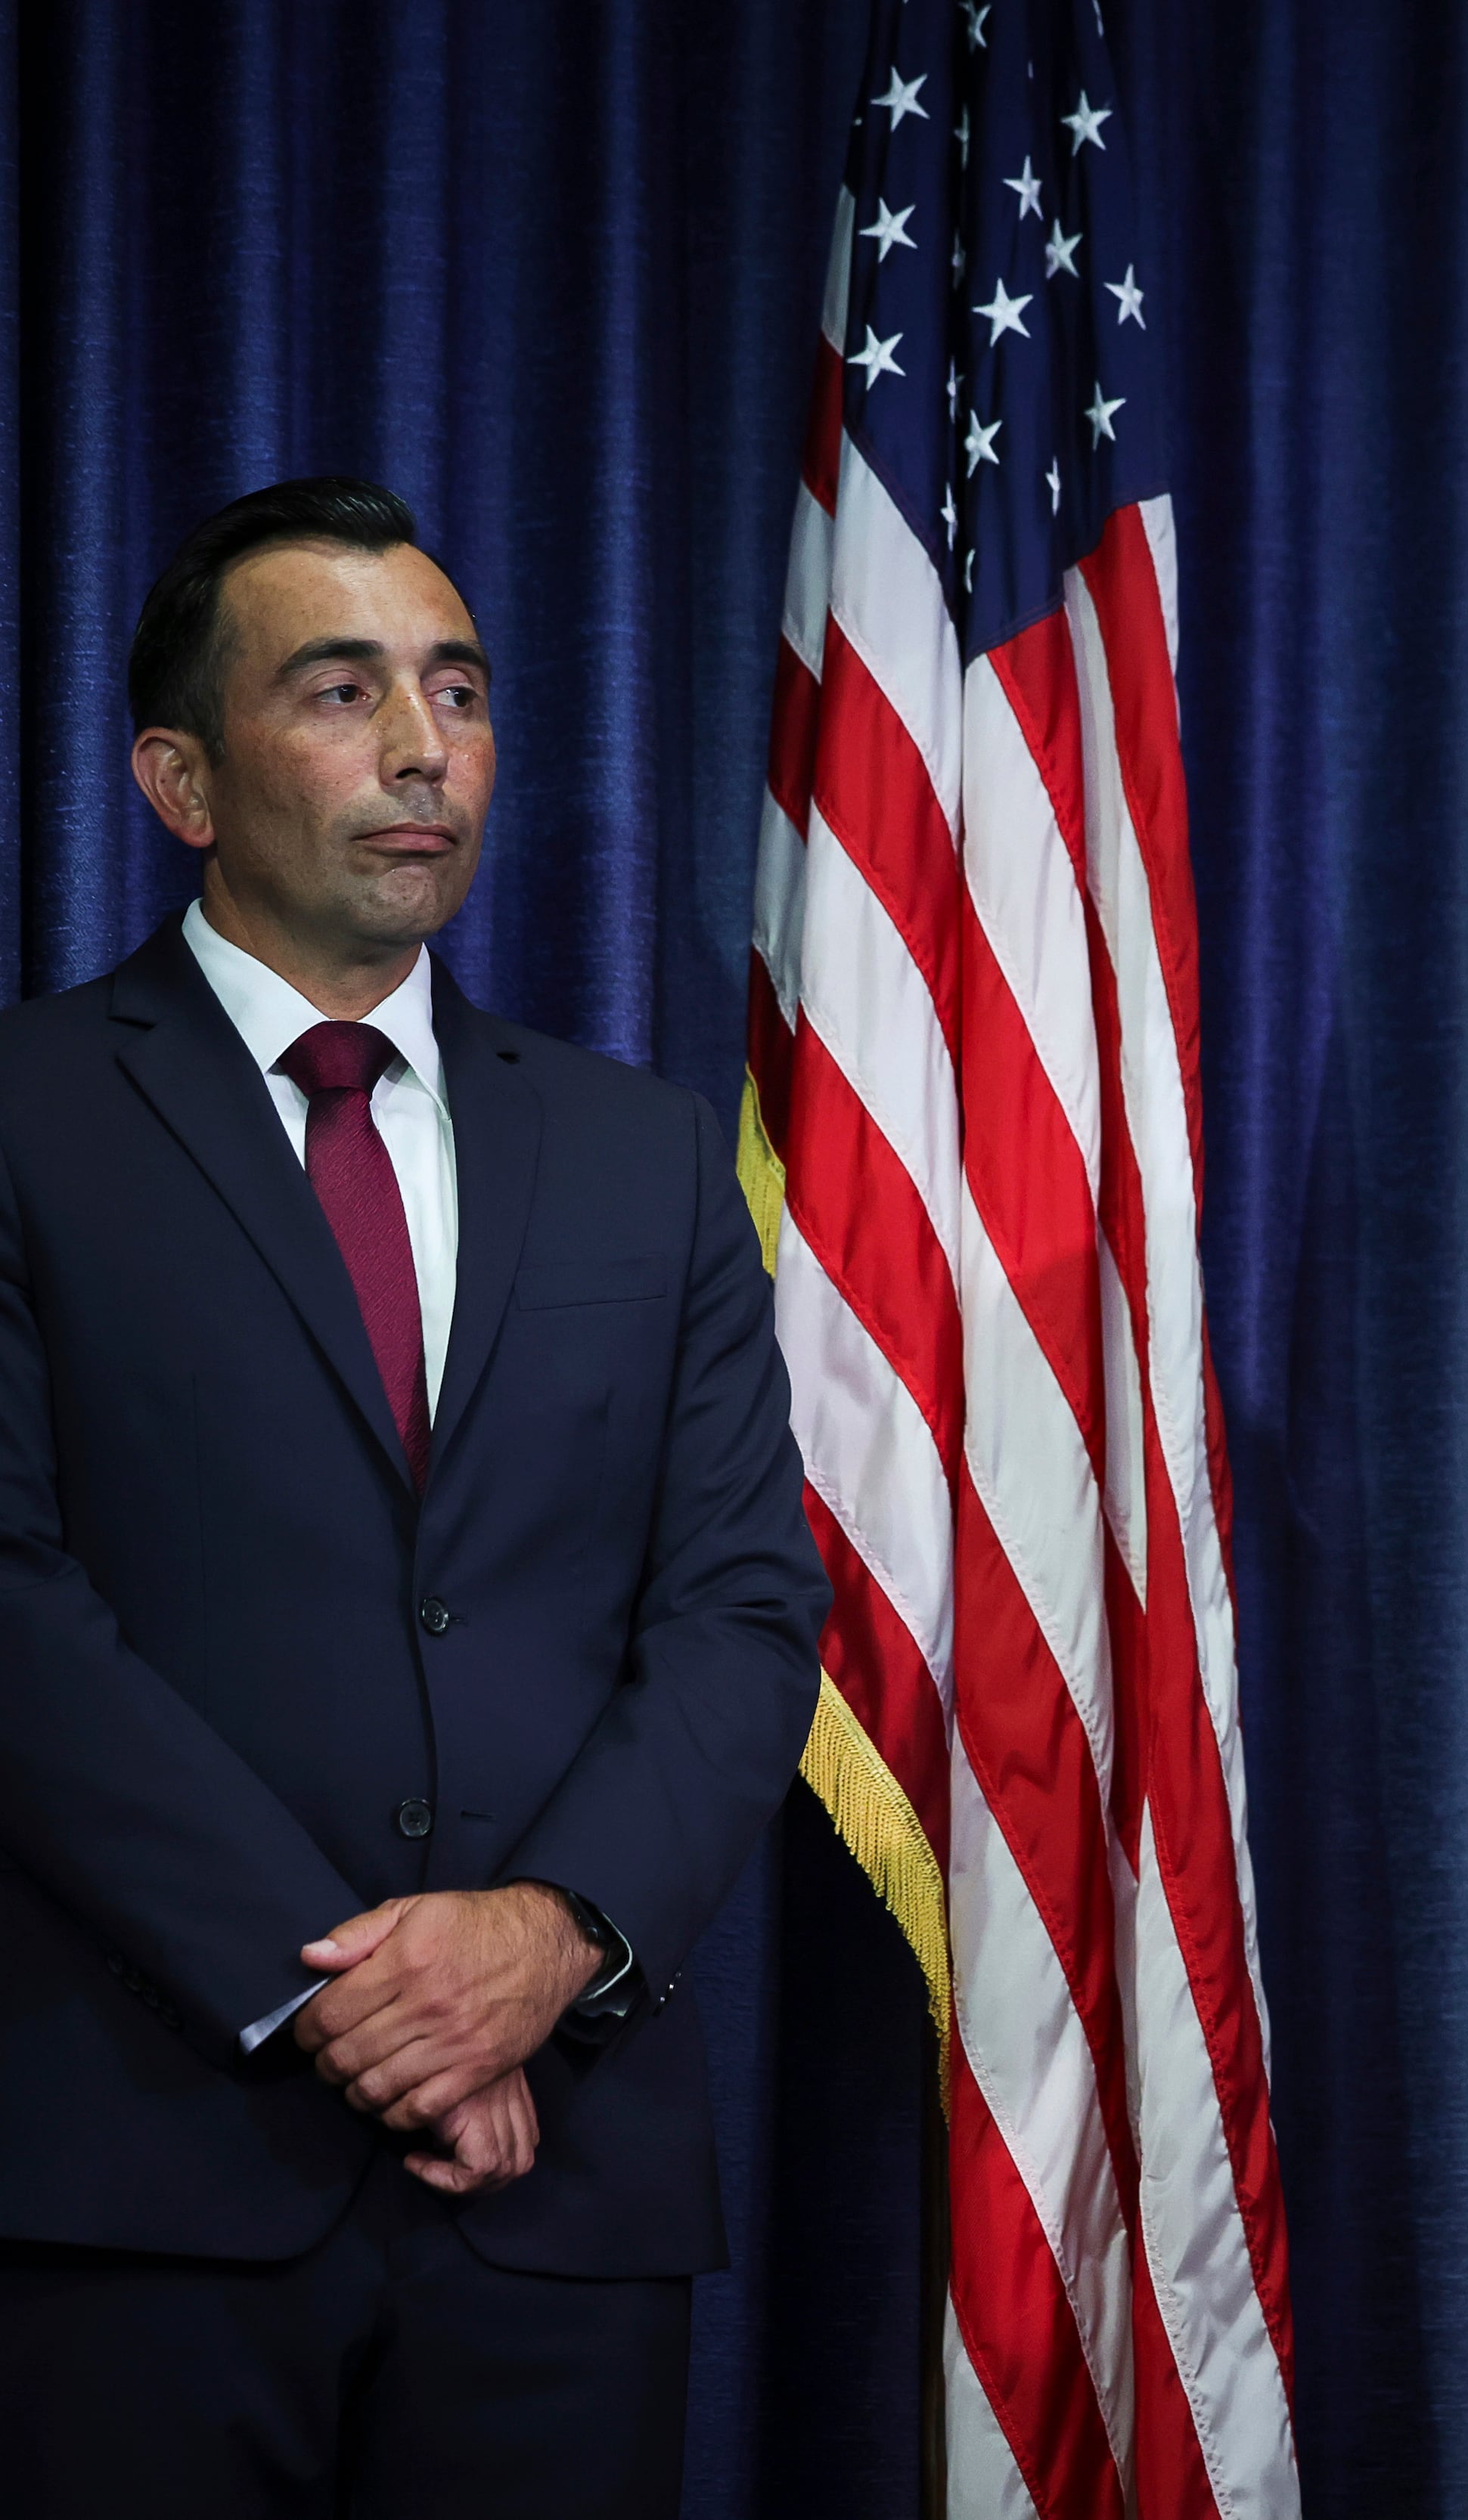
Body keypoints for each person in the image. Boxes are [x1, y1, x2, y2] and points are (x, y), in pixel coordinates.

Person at [0, 478, 827, 2512]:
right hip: (146, 2172)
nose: (420, 747)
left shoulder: (648, 1155)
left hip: (561, 2180)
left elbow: (740, 1607)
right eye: (340, 689)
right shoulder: (27, 1112)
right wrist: (346, 1992)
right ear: (180, 781)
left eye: (456, 690)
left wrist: (545, 1942)